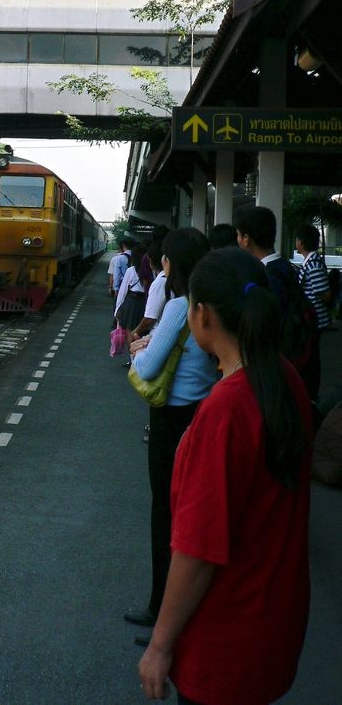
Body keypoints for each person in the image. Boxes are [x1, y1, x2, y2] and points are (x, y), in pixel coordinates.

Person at [139, 247, 312, 705]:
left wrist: (160, 645)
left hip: (223, 637)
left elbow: (198, 552)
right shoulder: (284, 380)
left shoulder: (225, 411)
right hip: (273, 623)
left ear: (202, 315)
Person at [124, 228, 216, 630]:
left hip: (171, 421)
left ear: (172, 263)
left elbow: (147, 368)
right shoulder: (211, 303)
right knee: (188, 514)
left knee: (165, 515)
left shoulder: (180, 306)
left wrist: (138, 351)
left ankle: (160, 608)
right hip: (199, 413)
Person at [235, 205, 320, 398]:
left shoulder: (268, 277)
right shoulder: (285, 268)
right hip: (296, 369)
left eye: (239, 235)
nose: (237, 240)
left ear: (247, 239)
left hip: (278, 377)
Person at [296, 223, 333, 331]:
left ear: (301, 242)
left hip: (315, 320)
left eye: (297, 239)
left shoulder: (313, 265)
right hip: (311, 318)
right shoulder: (311, 262)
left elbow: (325, 294)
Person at [114, 244, 147, 354]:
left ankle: (132, 357)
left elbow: (123, 291)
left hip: (132, 302)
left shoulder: (131, 270)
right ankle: (139, 354)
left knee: (130, 330)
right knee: (142, 331)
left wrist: (117, 309)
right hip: (145, 302)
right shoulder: (150, 271)